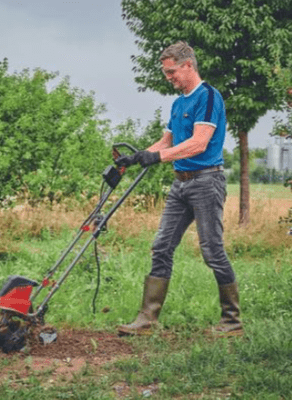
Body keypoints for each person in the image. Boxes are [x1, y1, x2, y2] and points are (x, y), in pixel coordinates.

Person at [115, 41, 242, 336]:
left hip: (207, 182)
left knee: (212, 251)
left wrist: (157, 157)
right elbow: (165, 143)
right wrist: (134, 158)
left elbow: (198, 143)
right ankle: (147, 320)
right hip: (180, 185)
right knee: (161, 247)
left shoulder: (208, 97)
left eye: (172, 71)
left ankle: (232, 321)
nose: (168, 77)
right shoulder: (178, 103)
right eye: (165, 72)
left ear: (188, 65)